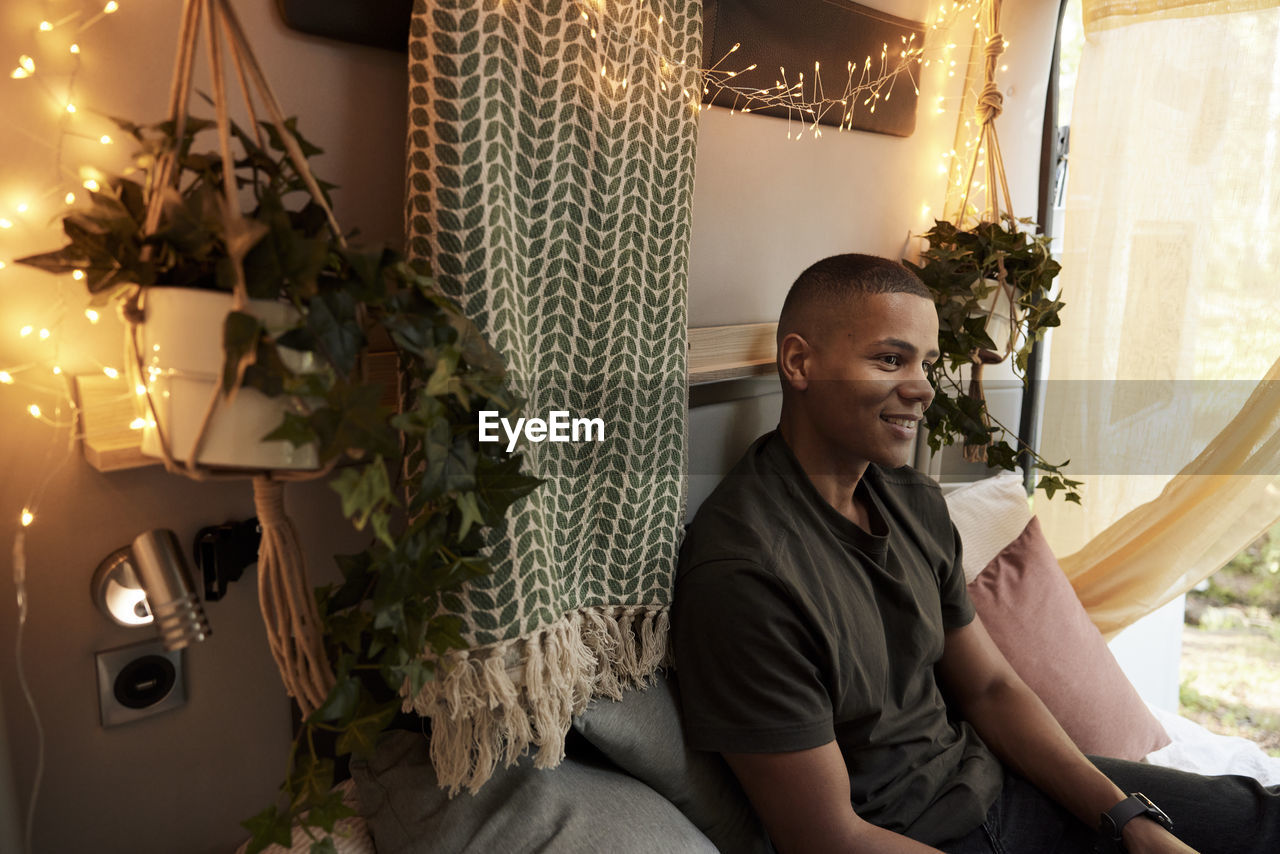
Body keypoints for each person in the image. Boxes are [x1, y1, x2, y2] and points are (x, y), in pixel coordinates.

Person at [670, 254, 1280, 854]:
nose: (921, 388)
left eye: (927, 364)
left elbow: (990, 688)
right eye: (890, 359)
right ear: (800, 362)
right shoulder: (744, 573)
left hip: (1001, 787)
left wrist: (1128, 820)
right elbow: (826, 837)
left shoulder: (911, 501)